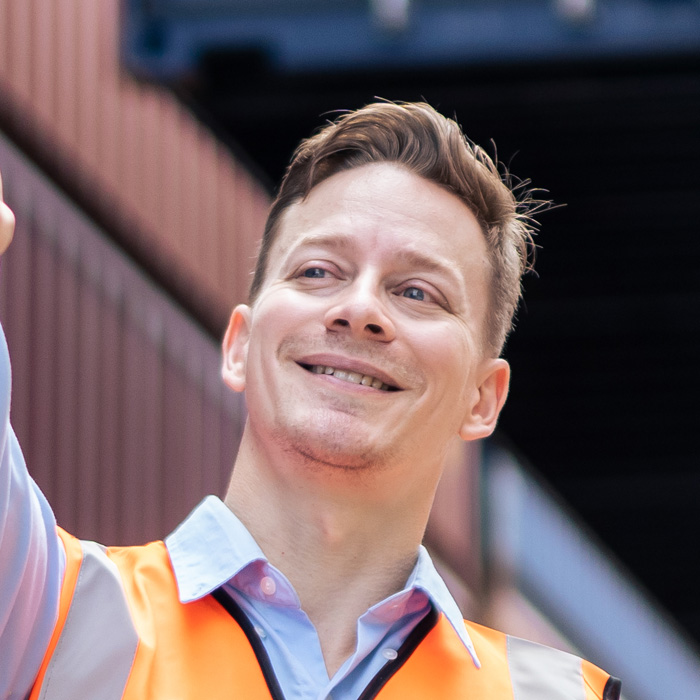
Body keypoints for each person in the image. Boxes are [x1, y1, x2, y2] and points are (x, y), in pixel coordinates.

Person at [0, 102, 621, 699]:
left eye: (417, 292)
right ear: (239, 345)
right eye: (317, 272)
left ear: (482, 399)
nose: (360, 309)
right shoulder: (47, 613)